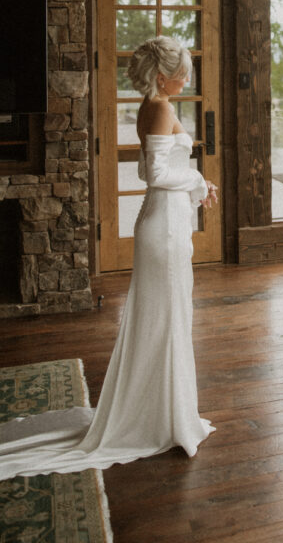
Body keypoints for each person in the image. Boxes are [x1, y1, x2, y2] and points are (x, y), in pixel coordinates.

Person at [0, 36, 216, 478]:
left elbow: (150, 170)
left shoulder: (155, 105)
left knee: (170, 318)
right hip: (164, 227)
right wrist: (196, 176)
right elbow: (153, 173)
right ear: (162, 76)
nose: (185, 80)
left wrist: (196, 185)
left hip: (169, 221)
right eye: (181, 74)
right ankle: (159, 419)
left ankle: (165, 411)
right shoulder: (158, 107)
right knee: (165, 318)